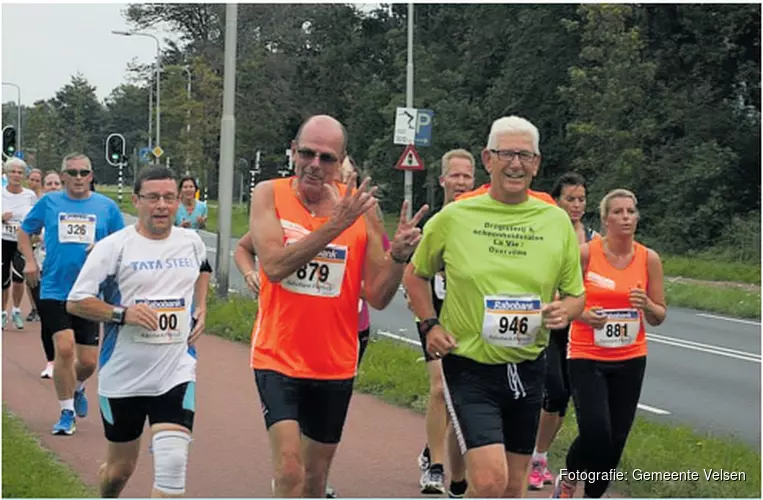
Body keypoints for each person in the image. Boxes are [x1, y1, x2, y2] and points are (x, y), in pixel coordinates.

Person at [404, 115, 586, 498]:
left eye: (524, 155)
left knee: (513, 487)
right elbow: (415, 275)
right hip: (469, 366)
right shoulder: (455, 217)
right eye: (506, 154)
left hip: (527, 366)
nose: (515, 164)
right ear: (488, 159)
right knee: (489, 481)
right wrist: (430, 325)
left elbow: (575, 293)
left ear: (537, 163)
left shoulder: (555, 221)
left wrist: (565, 311)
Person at [249, 114, 427, 498]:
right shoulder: (269, 194)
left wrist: (397, 257)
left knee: (314, 481)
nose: (315, 164)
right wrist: (333, 226)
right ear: (294, 152)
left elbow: (378, 296)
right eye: (308, 153)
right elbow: (276, 266)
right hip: (277, 357)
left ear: (341, 160)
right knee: (290, 474)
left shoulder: (361, 209)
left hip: (334, 363)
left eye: (327, 157)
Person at [66, 166, 210, 498]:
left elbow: (203, 269)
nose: (162, 205)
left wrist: (201, 306)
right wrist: (123, 313)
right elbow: (76, 302)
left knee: (173, 462)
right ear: (136, 201)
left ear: (179, 201)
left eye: (169, 198)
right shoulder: (114, 247)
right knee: (120, 470)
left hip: (176, 369)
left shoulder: (191, 242)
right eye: (153, 197)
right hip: (123, 376)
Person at [553, 189, 666, 499]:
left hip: (631, 358)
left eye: (631, 211)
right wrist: (585, 315)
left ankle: (593, 495)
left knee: (617, 438)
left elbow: (659, 315)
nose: (626, 217)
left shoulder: (648, 258)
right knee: (597, 432)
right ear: (604, 220)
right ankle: (569, 477)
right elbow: (559, 296)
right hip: (587, 355)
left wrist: (646, 306)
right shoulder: (586, 254)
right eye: (618, 212)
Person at [18, 153, 125, 436]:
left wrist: (102, 249)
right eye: (73, 172)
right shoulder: (49, 203)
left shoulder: (107, 207)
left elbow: (122, 244)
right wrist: (29, 261)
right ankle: (66, 412)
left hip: (89, 293)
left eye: (83, 173)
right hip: (54, 288)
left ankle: (77, 388)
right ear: (63, 176)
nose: (78, 178)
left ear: (91, 176)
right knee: (64, 347)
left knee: (88, 362)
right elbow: (24, 231)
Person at [407, 149, 474, 496]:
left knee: (458, 398)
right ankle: (435, 468)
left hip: (469, 320)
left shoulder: (481, 222)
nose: (461, 183)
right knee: (438, 389)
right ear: (442, 180)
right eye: (455, 176)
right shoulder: (431, 224)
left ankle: (431, 449)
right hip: (435, 316)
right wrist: (420, 307)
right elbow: (414, 273)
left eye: (467, 176)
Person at [528, 172, 598, 490]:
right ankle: (533, 458)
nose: (577, 205)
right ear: (556, 201)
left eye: (581, 199)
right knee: (552, 391)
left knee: (565, 397)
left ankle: (540, 454)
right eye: (570, 198)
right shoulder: (547, 231)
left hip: (582, 328)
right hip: (552, 323)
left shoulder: (593, 238)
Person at [34, 170, 64, 379]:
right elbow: (25, 231)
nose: (53, 187)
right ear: (44, 187)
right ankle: (51, 361)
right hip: (42, 267)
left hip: (67, 271)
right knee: (47, 316)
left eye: (56, 184)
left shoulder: (69, 207)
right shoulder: (40, 207)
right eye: (49, 184)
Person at [2, 158, 38, 330]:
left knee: (18, 278)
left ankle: (16, 310)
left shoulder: (29, 196)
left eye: (19, 172)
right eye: (13, 172)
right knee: (3, 280)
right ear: (6, 174)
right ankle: (3, 313)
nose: (16, 175)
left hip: (21, 242)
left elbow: (36, 217)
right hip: (3, 240)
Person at [24, 168, 43, 322]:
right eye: (32, 180)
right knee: (29, 276)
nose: (34, 183)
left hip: (42, 241)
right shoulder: (24, 197)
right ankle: (34, 308)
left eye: (37, 181)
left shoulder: (44, 199)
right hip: (28, 240)